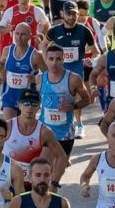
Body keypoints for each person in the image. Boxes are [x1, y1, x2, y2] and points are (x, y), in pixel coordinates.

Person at [38, 42, 92, 188]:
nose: (54, 63)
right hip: (46, 132)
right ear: (46, 60)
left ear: (63, 59)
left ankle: (52, 200)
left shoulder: (73, 79)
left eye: (58, 59)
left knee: (55, 178)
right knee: (43, 172)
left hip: (65, 134)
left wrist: (73, 106)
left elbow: (87, 99)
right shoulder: (39, 79)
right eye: (51, 59)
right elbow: (36, 102)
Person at [47, 1, 101, 138]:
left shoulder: (84, 31)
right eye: (68, 14)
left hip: (76, 70)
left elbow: (96, 52)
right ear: (62, 14)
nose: (71, 17)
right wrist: (47, 59)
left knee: (76, 97)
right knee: (57, 97)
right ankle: (57, 124)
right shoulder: (55, 31)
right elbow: (43, 44)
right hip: (58, 71)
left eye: (74, 14)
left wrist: (92, 60)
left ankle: (79, 124)